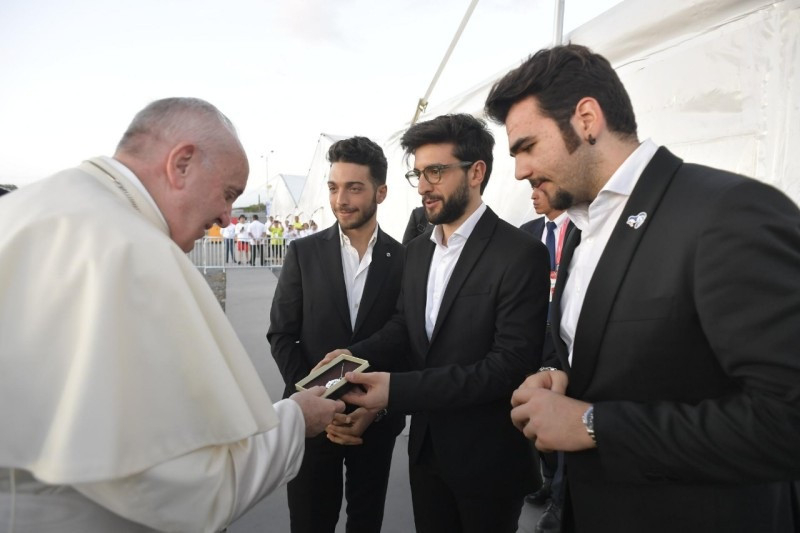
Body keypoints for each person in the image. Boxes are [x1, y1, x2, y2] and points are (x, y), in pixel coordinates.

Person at [484, 44, 800, 533]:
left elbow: (787, 420)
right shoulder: (583, 229)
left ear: (587, 119)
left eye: (526, 146)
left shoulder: (727, 211)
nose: (520, 170)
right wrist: (561, 378)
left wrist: (594, 425)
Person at [0, 97, 344, 532]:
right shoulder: (130, 251)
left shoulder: (32, 208)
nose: (226, 218)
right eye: (228, 194)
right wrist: (295, 421)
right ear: (181, 164)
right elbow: (178, 489)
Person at [324, 114, 551, 533]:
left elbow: (509, 366)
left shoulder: (520, 254)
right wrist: (353, 356)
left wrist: (396, 390)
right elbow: (403, 328)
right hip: (427, 454)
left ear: (476, 172)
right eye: (418, 174)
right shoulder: (416, 253)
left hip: (488, 462)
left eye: (436, 171)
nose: (423, 186)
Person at [268, 136, 405, 533]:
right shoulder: (303, 253)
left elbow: (405, 339)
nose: (340, 200)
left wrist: (376, 409)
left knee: (366, 523)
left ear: (381, 192)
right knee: (310, 523)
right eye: (333, 187)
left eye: (354, 188)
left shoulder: (405, 259)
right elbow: (282, 335)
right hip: (311, 423)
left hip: (374, 421)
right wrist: (314, 401)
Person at [519, 178, 574, 533]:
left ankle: (559, 498)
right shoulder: (527, 234)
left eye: (540, 187)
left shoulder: (582, 231)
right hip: (533, 337)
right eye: (531, 187)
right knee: (537, 414)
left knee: (563, 415)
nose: (533, 194)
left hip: (566, 343)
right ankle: (546, 478)